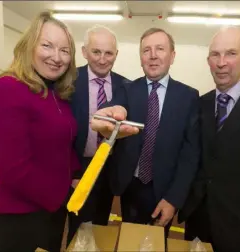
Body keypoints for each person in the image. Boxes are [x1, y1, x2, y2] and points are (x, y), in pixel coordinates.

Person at [91, 27, 201, 238]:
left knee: (157, 244)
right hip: (130, 186)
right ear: (140, 58)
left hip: (164, 191)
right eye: (146, 50)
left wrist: (173, 199)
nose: (152, 55)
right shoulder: (127, 90)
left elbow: (190, 154)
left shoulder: (188, 97)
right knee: (130, 240)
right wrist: (110, 114)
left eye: (160, 49)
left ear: (172, 56)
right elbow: (115, 110)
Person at [0, 11, 81, 252]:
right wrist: (59, 197)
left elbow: (63, 145)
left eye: (65, 50)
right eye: (47, 45)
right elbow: (13, 168)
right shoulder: (5, 89)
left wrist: (76, 177)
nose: (56, 57)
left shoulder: (55, 94)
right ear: (29, 46)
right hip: (20, 218)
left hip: (51, 212)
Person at [178, 26, 240, 252]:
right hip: (200, 226)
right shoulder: (199, 104)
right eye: (215, 54)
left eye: (231, 53)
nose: (221, 62)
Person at [67, 25, 131, 243]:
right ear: (84, 52)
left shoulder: (126, 86)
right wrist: (73, 173)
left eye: (109, 53)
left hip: (109, 169)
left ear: (116, 54)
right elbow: (61, 133)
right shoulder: (68, 82)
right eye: (96, 52)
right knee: (77, 229)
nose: (103, 59)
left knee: (101, 229)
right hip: (78, 167)